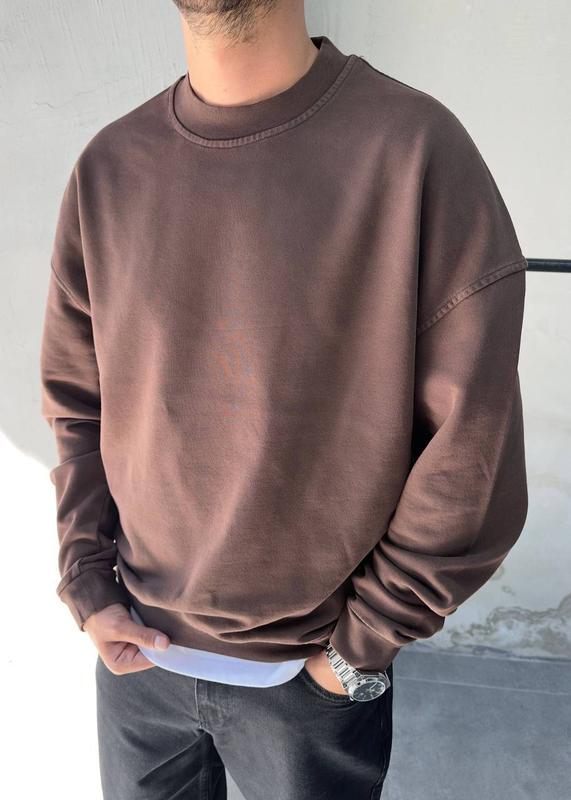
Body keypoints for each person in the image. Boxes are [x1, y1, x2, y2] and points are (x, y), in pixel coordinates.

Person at [39, 1, 528, 798]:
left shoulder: (413, 151)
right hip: (137, 657)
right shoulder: (110, 168)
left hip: (309, 677)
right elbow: (77, 405)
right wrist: (89, 585)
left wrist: (353, 652)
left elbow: (471, 453)